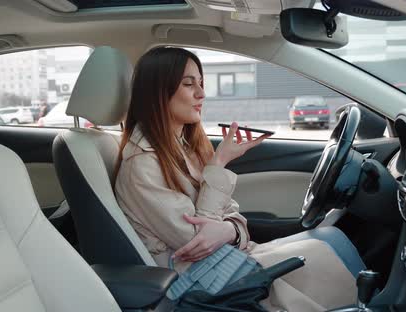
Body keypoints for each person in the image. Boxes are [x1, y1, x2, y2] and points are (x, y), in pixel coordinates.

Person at [114, 47, 363, 311]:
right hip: (200, 281)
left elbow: (230, 213)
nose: (201, 94)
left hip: (224, 259)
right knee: (328, 255)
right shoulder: (141, 165)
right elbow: (198, 242)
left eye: (201, 83)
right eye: (189, 84)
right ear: (157, 92)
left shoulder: (184, 148)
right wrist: (219, 163)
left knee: (330, 240)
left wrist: (231, 231)